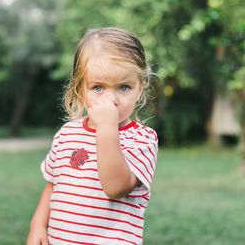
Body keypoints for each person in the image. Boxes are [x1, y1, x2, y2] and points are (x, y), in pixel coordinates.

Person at [27, 27, 158, 245]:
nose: (111, 100)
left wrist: (106, 127)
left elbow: (116, 187)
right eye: (98, 88)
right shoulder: (67, 133)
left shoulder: (142, 139)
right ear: (80, 89)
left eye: (124, 87)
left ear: (140, 89)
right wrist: (38, 226)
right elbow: (53, 184)